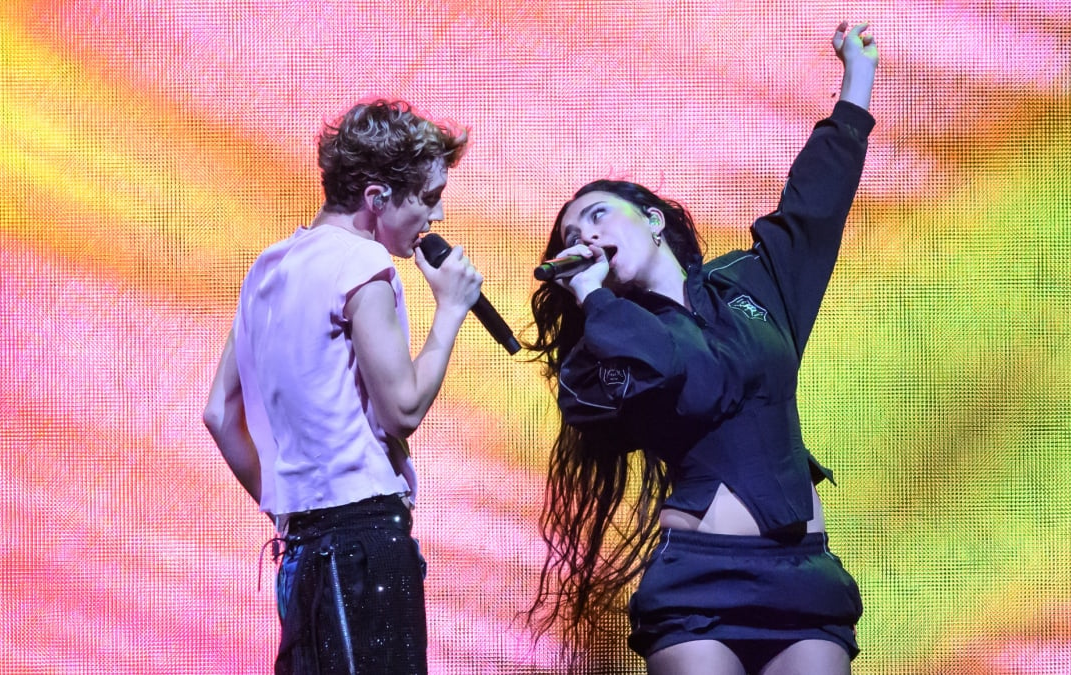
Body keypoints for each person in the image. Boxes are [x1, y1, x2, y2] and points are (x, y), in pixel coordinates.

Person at [526, 22, 879, 675]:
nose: (587, 232)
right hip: (697, 587)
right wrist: (592, 297)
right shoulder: (597, 354)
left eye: (597, 213)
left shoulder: (751, 282)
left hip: (803, 579)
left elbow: (813, 208)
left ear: (652, 218)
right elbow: (675, 368)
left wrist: (857, 80)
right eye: (573, 232)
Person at [203, 99, 481, 675]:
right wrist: (450, 309)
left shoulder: (269, 267)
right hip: (363, 548)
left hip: (301, 554)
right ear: (377, 198)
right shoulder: (363, 265)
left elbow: (219, 414)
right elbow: (402, 408)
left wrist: (296, 509)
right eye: (428, 197)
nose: (438, 216)